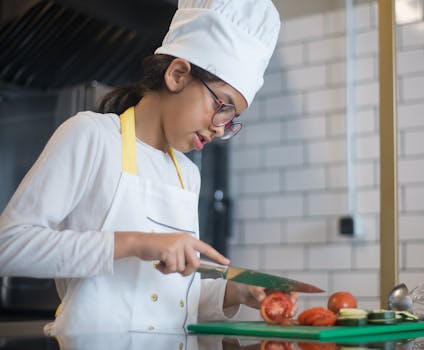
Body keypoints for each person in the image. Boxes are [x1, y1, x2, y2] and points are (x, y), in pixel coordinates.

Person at [0, 0, 294, 335]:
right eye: (222, 106)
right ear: (177, 74)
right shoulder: (91, 136)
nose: (219, 128)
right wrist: (136, 243)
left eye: (230, 120)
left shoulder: (188, 175)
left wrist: (234, 291)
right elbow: (8, 246)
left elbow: (167, 297)